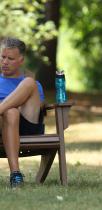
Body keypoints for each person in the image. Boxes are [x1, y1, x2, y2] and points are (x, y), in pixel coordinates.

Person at [0, 37, 45, 188]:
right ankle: (15, 174)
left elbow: (39, 108)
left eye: (10, 58)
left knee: (29, 82)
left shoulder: (32, 84)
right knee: (11, 113)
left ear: (21, 60)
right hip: (2, 126)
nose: (5, 62)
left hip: (27, 127)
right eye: (3, 57)